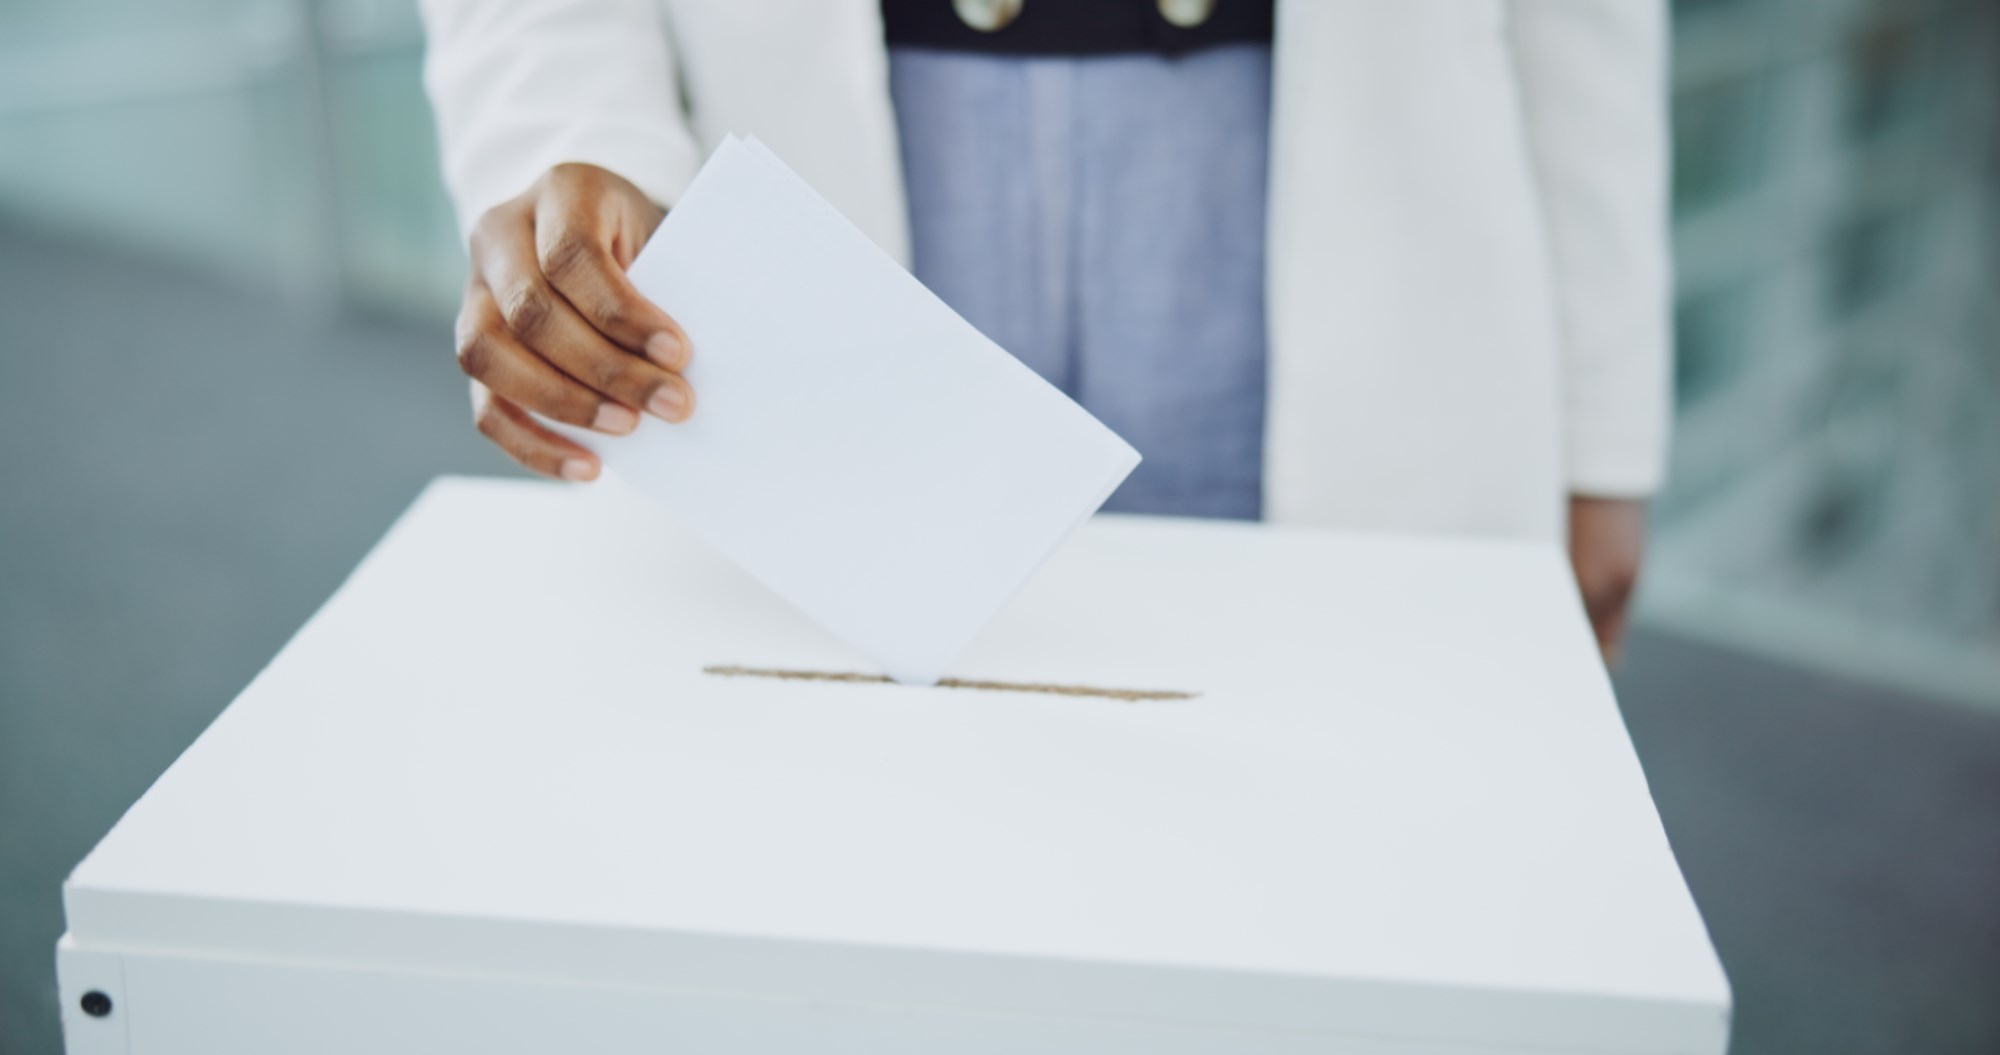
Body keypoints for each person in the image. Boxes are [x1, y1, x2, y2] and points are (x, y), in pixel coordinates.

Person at [419, 0, 1671, 662]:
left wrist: (1603, 431)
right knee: (828, 890)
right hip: (812, 202)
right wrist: (570, 142)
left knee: (1327, 887)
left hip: (1339, 194)